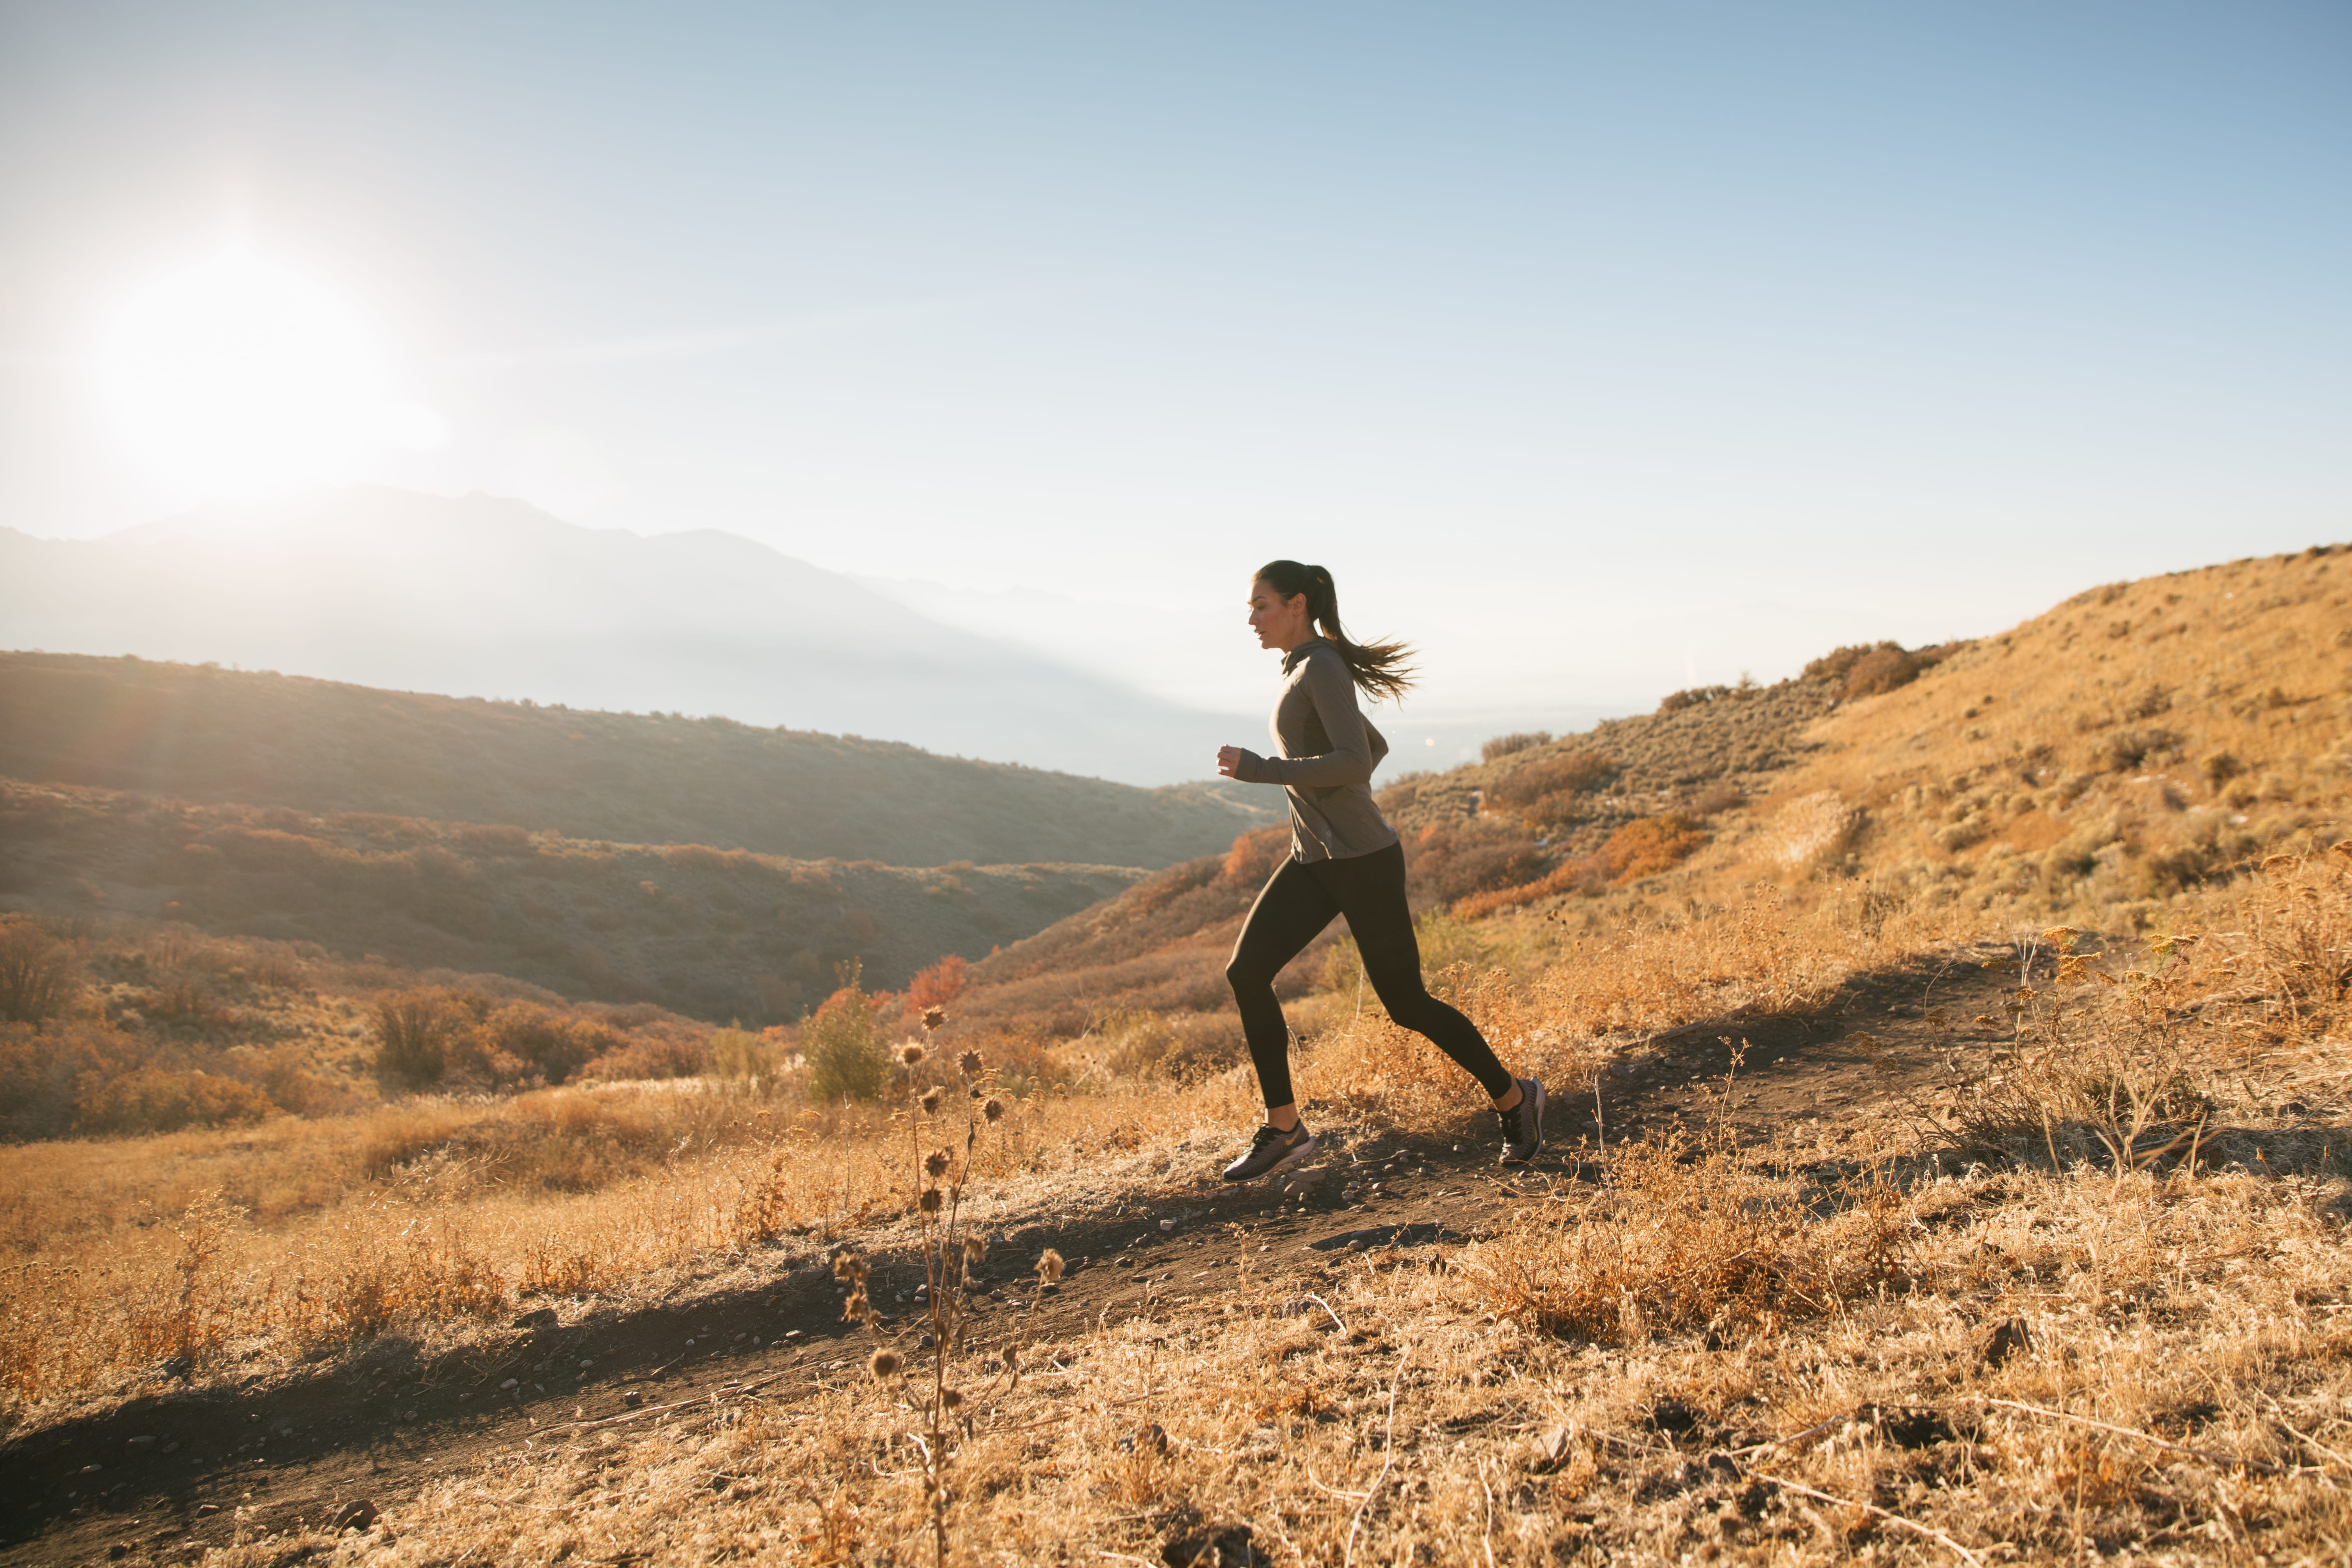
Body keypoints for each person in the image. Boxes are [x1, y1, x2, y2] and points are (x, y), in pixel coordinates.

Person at [1213, 560, 1544, 1182]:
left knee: (1407, 1003)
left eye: (1260, 605)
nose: (1251, 619)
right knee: (1246, 971)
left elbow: (1354, 762)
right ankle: (1284, 1127)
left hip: (1362, 860)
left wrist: (1264, 769)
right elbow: (1372, 748)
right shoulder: (1303, 669)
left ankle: (1515, 1098)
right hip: (1314, 858)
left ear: (1296, 604)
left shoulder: (1323, 666)